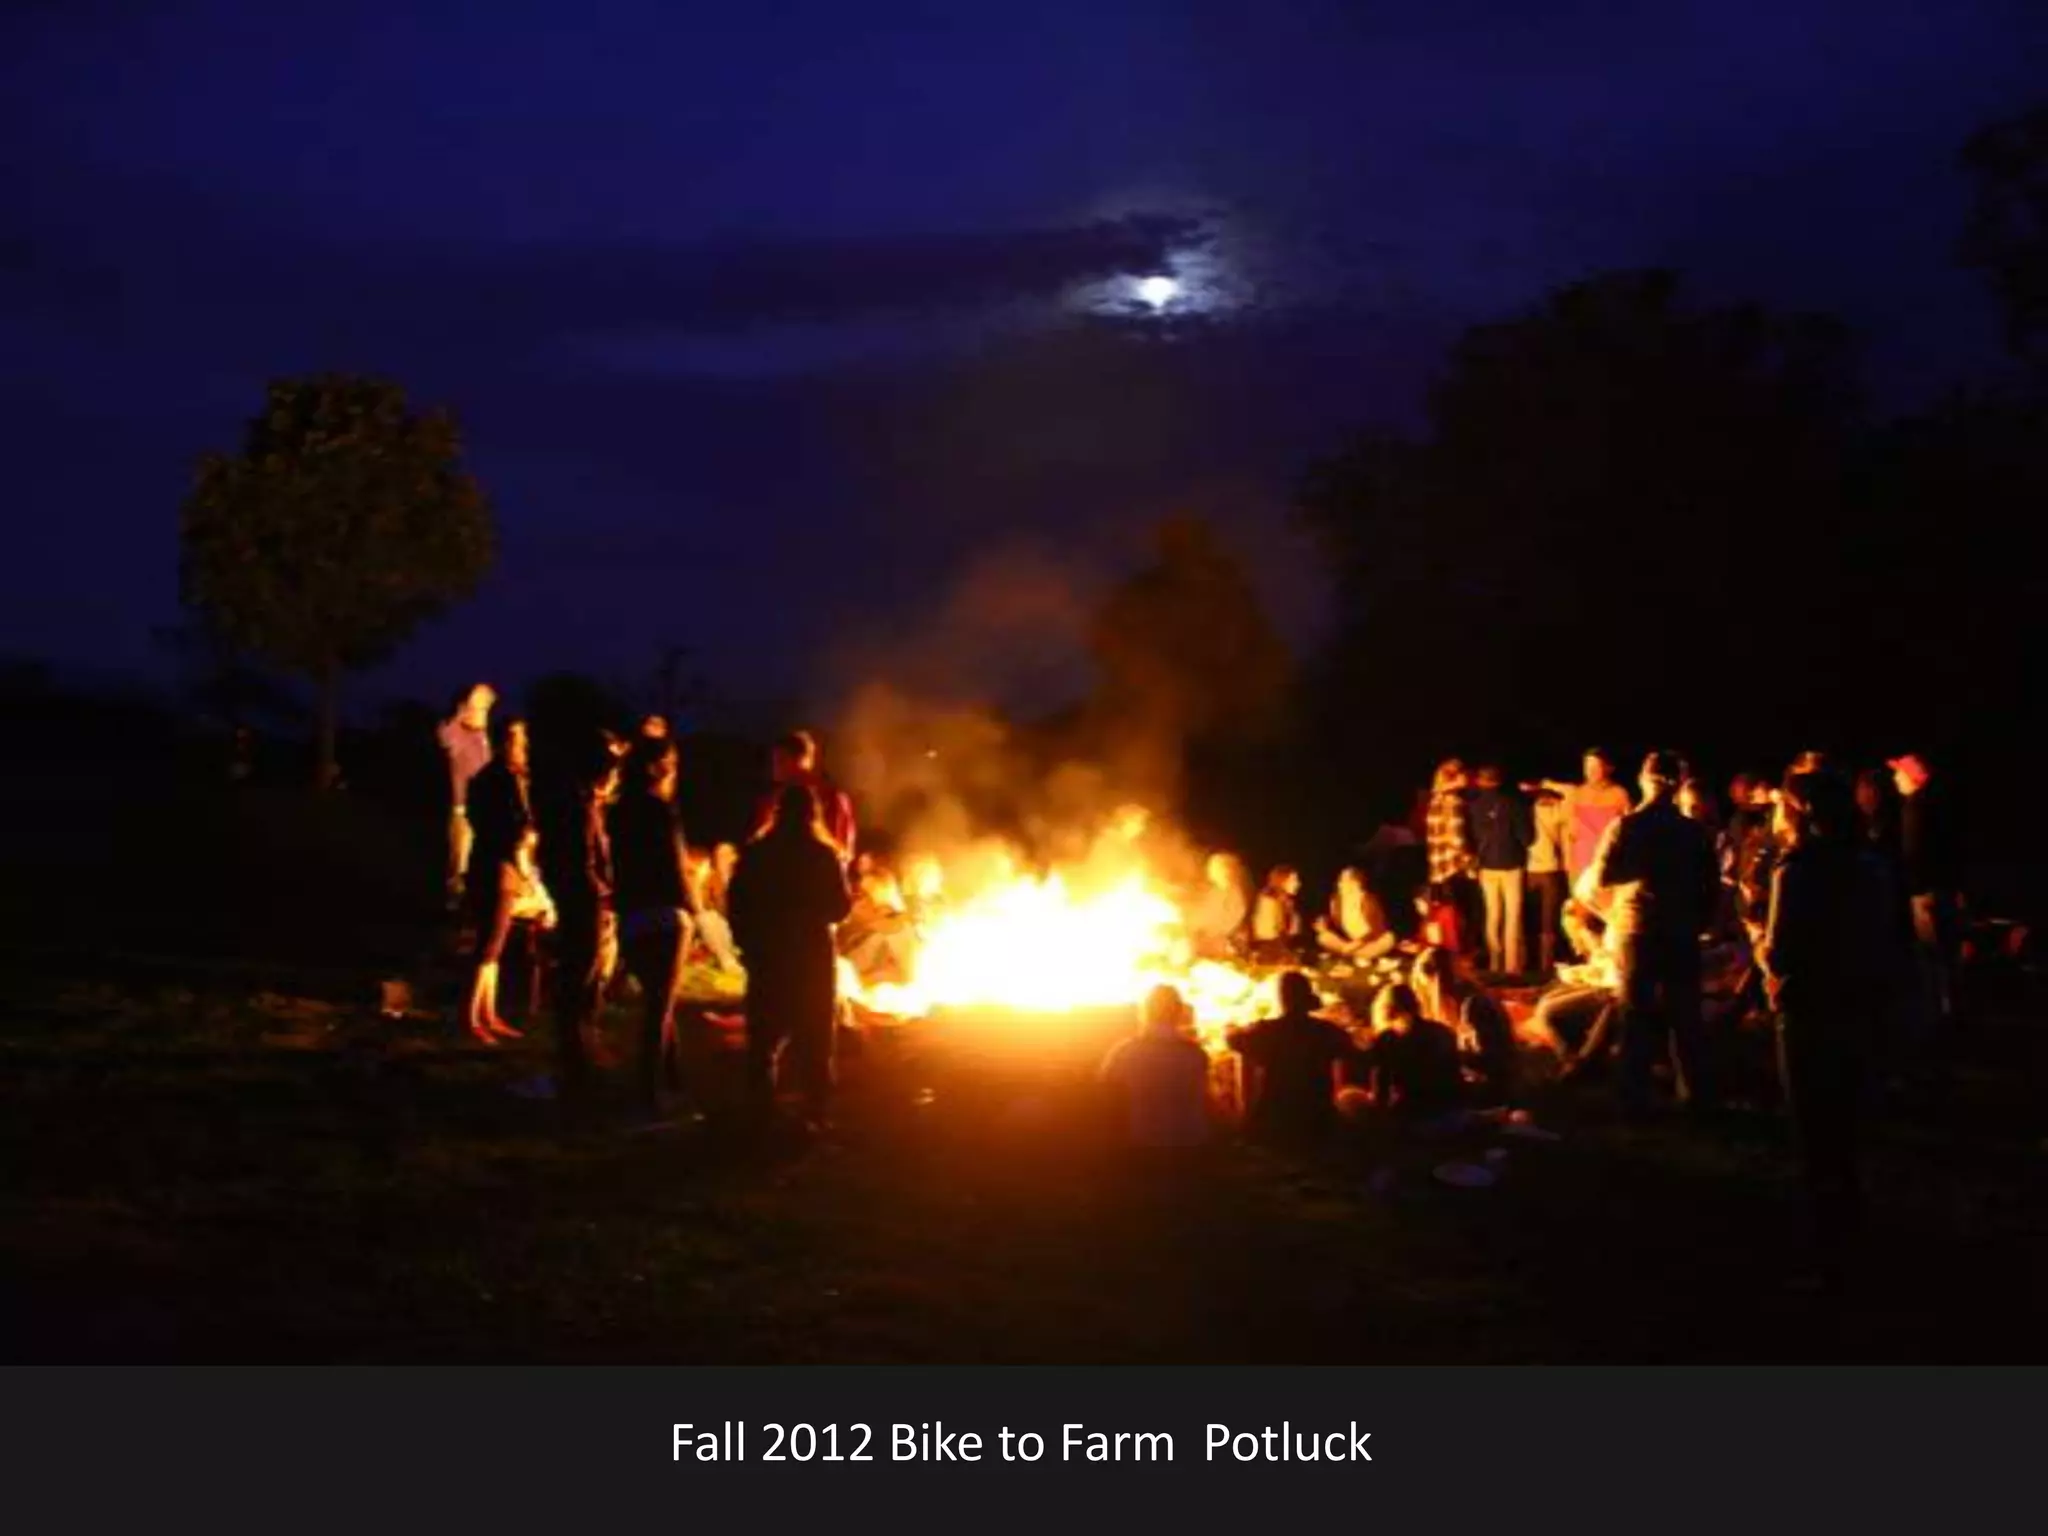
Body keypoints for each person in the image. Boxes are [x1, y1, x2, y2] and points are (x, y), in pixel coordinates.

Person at [1758, 770, 1906, 1285]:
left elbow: (1780, 948)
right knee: (1847, 1112)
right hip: (1860, 999)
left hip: (1810, 1002)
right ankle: (1850, 1211)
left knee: (1812, 1114)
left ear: (1803, 814)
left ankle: (1822, 1226)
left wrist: (1764, 956)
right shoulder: (1873, 864)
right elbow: (1890, 933)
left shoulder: (1796, 870)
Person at [1587, 749, 1723, 1114]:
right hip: (1680, 930)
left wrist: (1641, 870)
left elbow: (1603, 876)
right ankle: (1696, 1096)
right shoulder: (1693, 832)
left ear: (1644, 780)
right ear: (1678, 786)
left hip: (1638, 928)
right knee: (1685, 1016)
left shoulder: (1627, 826)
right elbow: (1712, 888)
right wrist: (1699, 922)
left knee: (1635, 1015)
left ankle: (1633, 1097)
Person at [729, 785, 853, 1131]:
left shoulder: (756, 853)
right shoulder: (822, 855)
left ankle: (760, 1112)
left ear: (777, 812)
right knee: (815, 1039)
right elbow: (840, 908)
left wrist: (747, 945)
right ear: (813, 814)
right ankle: (815, 1113)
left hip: (768, 954)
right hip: (811, 956)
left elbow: (736, 904)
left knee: (764, 1039)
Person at [611, 740, 697, 1120]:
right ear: (658, 768)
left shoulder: (617, 811)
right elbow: (676, 865)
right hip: (664, 914)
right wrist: (694, 908)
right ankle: (648, 1095)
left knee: (661, 1002)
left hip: (631, 916)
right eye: (672, 764)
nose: (676, 771)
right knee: (658, 1009)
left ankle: (674, 1081)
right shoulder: (660, 812)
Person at [540, 741, 624, 1098]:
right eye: (614, 771)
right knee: (580, 970)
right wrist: (599, 890)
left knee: (589, 974)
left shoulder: (588, 804)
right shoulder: (575, 807)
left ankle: (585, 1044)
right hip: (583, 898)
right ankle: (575, 1051)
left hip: (589, 897)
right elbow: (573, 857)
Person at [463, 718, 538, 1045]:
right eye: (520, 742)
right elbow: (518, 829)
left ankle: (487, 1014)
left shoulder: (484, 779)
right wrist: (526, 867)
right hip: (500, 870)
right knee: (487, 947)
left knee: (493, 947)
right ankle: (470, 1018)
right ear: (508, 743)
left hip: (486, 865)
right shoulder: (505, 780)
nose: (524, 748)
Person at [1227, 971, 1355, 1149]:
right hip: (1317, 1114)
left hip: (1277, 1115)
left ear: (1281, 998)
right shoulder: (1326, 1031)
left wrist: (1235, 1026)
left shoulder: (1267, 1030)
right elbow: (1349, 1047)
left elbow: (1233, 1039)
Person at [1891, 752, 1963, 1038]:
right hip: (1943, 889)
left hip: (1925, 893)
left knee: (1932, 957)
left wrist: (1909, 887)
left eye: (1899, 773)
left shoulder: (1915, 808)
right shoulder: (1938, 805)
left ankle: (1940, 1020)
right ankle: (1952, 1011)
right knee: (1947, 955)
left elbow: (1914, 854)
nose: (1895, 778)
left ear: (1913, 777)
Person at [1099, 984, 1212, 1150]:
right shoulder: (1196, 1055)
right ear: (1179, 1011)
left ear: (1144, 1012)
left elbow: (1106, 1099)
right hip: (1188, 1146)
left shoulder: (1125, 1053)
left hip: (1143, 1145)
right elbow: (1205, 1103)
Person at [1411, 945, 1517, 1103]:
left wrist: (1446, 1056)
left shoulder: (1473, 1004)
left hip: (1492, 1087)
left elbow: (1486, 1058)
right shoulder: (1464, 1001)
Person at [1529, 748, 1633, 890]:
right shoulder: (1578, 794)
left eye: (1596, 766)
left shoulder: (1619, 795)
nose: (1590, 771)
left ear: (1608, 768)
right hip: (1580, 864)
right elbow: (1571, 831)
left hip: (1608, 864)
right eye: (1587, 766)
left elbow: (1629, 831)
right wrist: (1569, 863)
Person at [751, 730, 857, 867]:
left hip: (818, 880)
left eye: (781, 760)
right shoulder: (773, 800)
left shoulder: (832, 797)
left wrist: (818, 834)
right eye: (774, 761)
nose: (775, 768)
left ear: (804, 760)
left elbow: (844, 853)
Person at [1366, 983, 1466, 1127]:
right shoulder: (1441, 1031)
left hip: (1413, 1116)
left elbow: (1381, 1089)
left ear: (1385, 1010)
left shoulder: (1387, 1038)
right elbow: (1455, 1071)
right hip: (1451, 1111)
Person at [1467, 766, 1532, 977]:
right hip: (1511, 864)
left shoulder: (1474, 805)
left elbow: (1470, 836)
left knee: (1492, 915)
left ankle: (1495, 962)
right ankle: (1512, 966)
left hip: (1486, 866)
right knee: (1512, 915)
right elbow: (1528, 838)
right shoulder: (1514, 803)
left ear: (1480, 781)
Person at [437, 683, 496, 907]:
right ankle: (454, 901)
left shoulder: (482, 736)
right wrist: (459, 715)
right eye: (479, 707)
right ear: (464, 708)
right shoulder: (455, 733)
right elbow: (444, 739)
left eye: (486, 708)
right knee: (460, 858)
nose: (484, 713)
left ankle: (473, 901)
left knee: (480, 857)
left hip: (483, 805)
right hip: (463, 806)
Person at [1424, 759, 1478, 952]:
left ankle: (1448, 962)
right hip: (1454, 868)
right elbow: (1457, 840)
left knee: (1443, 921)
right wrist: (1471, 862)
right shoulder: (1454, 801)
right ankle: (1463, 960)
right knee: (1460, 920)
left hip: (1437, 870)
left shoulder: (1434, 801)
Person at [1526, 787, 1570, 974]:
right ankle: (1546, 964)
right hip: (1552, 869)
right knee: (1549, 920)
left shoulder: (1527, 810)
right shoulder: (1559, 811)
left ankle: (1530, 961)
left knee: (1531, 919)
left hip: (1530, 869)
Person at [1314, 866, 1396, 964]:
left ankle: (1357, 955)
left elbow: (1377, 930)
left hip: (1373, 942)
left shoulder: (1368, 900)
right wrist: (1324, 926)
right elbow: (1335, 924)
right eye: (1340, 880)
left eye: (1344, 881)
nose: (1340, 884)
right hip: (1350, 942)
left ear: (1356, 884)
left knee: (1389, 939)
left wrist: (1355, 945)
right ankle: (1359, 955)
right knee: (1323, 938)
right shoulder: (1336, 901)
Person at [684, 846, 743, 974]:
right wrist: (698, 880)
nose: (722, 858)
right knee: (707, 918)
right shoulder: (710, 877)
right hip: (716, 923)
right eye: (719, 855)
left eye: (727, 854)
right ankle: (727, 960)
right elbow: (698, 906)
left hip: (737, 925)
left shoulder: (743, 878)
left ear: (735, 857)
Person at [1188, 852, 1252, 961]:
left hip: (1217, 942)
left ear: (1226, 870)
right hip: (1204, 940)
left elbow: (1234, 916)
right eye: (1210, 867)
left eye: (1214, 867)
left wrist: (1215, 932)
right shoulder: (1214, 891)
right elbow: (1204, 912)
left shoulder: (1233, 893)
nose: (1210, 870)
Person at [1249, 865, 1305, 965]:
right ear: (1282, 882)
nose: (1298, 884)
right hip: (1269, 949)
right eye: (1293, 880)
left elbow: (1293, 931)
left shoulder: (1287, 903)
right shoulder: (1268, 901)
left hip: (1281, 947)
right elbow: (1266, 932)